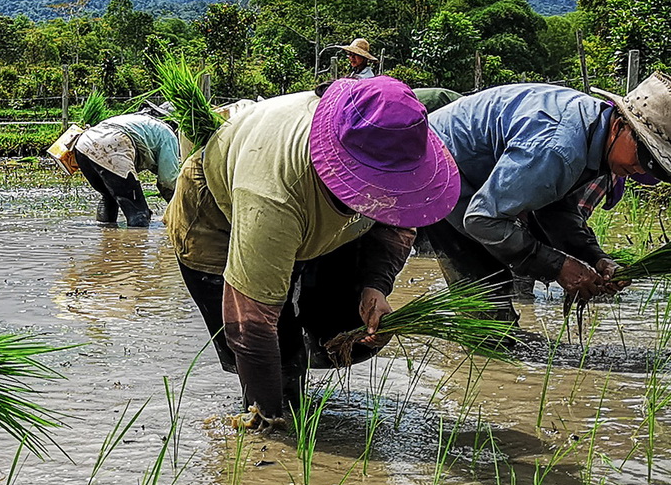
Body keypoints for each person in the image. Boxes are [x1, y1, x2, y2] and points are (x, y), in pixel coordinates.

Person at [167, 76, 460, 426]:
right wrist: (273, 421)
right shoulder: (275, 192)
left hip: (309, 218)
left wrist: (375, 286)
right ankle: (268, 409)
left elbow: (399, 219)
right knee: (271, 347)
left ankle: (292, 378)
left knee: (340, 325)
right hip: (217, 216)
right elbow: (250, 322)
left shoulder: (392, 145)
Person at [422, 74, 671, 323]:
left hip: (474, 181)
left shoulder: (591, 130)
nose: (640, 170)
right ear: (620, 127)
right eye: (642, 157)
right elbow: (481, 220)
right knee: (487, 301)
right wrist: (559, 266)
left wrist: (595, 257)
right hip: (438, 171)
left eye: (653, 168)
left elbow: (556, 211)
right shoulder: (558, 147)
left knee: (500, 281)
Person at [71, 111, 181, 227]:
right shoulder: (168, 135)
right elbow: (168, 180)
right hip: (112, 144)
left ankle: (106, 237)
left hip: (81, 147)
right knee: (139, 213)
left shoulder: (139, 121)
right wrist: (178, 206)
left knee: (109, 197)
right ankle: (136, 241)